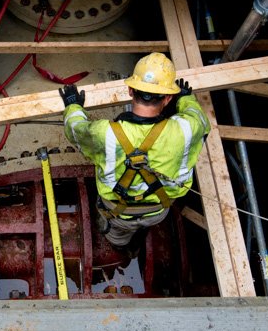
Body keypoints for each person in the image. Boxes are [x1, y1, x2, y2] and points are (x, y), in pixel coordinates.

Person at [59, 53, 211, 252]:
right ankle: (137, 242)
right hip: (158, 211)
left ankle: (120, 246)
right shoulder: (187, 129)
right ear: (167, 98)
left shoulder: (104, 133)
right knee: (144, 225)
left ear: (130, 90)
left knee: (118, 236)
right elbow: (198, 118)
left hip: (118, 214)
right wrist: (186, 99)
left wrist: (73, 106)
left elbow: (75, 129)